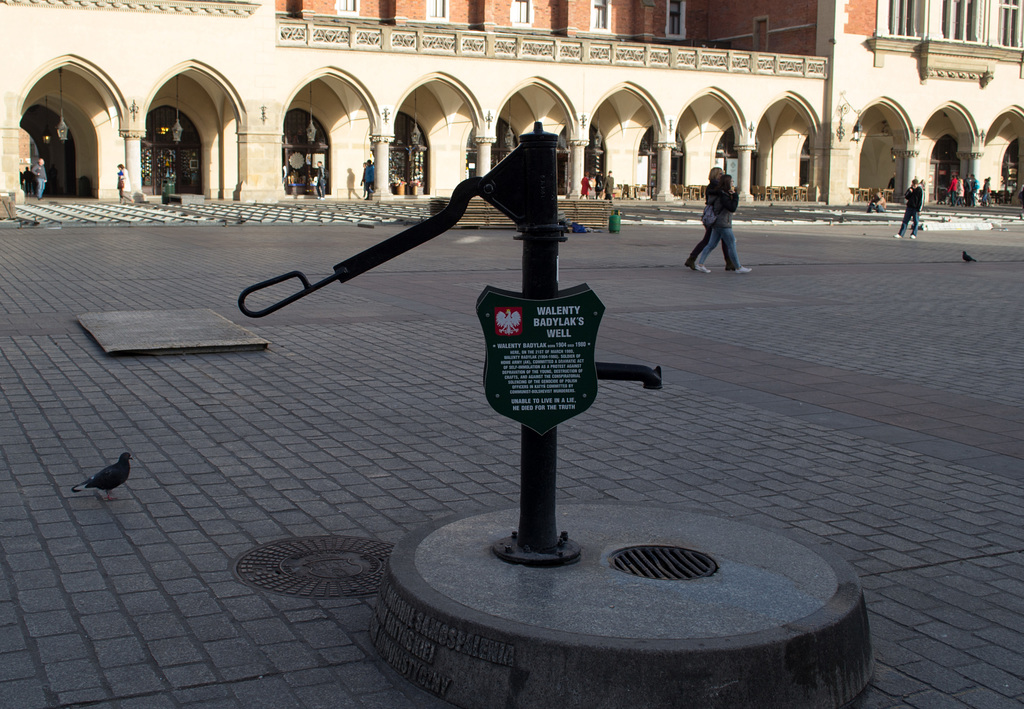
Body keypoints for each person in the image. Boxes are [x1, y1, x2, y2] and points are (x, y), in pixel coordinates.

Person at [695, 174, 751, 274]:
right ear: (727, 183)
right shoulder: (723, 195)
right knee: (731, 243)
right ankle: (738, 267)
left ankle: (700, 264)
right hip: (723, 223)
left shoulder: (720, 193)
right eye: (732, 182)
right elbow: (732, 208)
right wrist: (735, 196)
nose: (733, 183)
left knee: (711, 244)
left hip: (717, 222)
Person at [685, 167, 735, 271]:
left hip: (715, 217)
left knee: (721, 240)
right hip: (714, 217)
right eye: (720, 174)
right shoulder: (715, 186)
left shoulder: (715, 186)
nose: (722, 175)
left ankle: (729, 262)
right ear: (715, 175)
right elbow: (715, 197)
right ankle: (692, 259)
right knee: (708, 240)